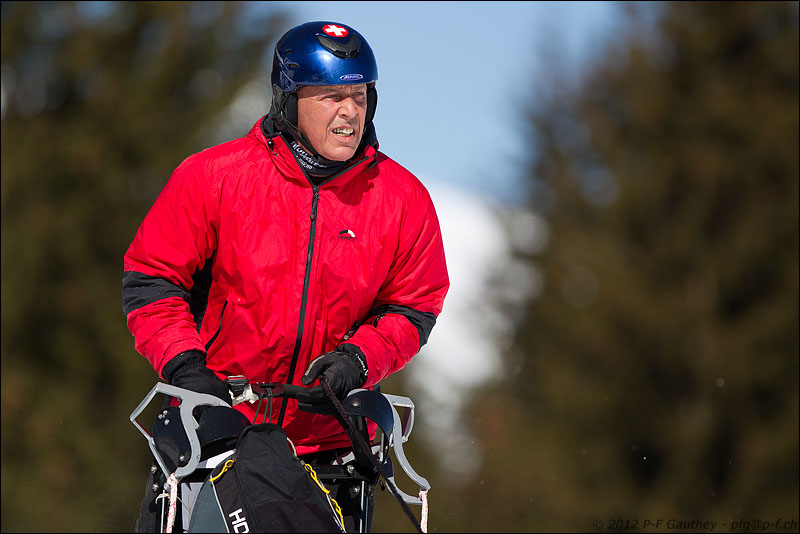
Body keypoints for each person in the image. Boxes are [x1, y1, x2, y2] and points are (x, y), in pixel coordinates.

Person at [123, 20, 449, 532]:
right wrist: (187, 368)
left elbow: (414, 306)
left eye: (359, 95)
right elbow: (152, 281)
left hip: (330, 453)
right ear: (289, 100)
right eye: (331, 96)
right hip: (213, 438)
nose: (349, 111)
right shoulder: (214, 176)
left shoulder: (403, 199)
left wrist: (358, 360)